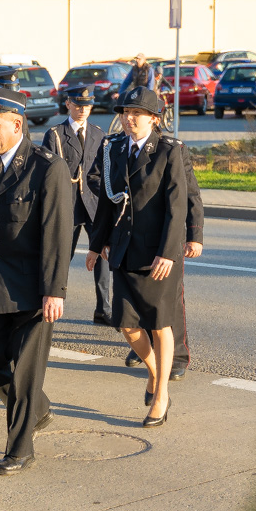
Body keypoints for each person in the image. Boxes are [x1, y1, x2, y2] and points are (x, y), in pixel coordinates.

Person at [0, 86, 72, 475]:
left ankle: (19, 448)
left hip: (31, 287)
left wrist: (54, 290)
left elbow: (57, 233)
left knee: (26, 371)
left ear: (17, 124)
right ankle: (37, 410)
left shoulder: (47, 167)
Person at [86, 86, 187, 428]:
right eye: (126, 113)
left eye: (136, 114)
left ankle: (161, 394)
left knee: (160, 325)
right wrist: (95, 244)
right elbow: (106, 201)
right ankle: (155, 371)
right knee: (127, 324)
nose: (128, 119)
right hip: (125, 248)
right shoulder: (114, 147)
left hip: (157, 254)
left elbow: (177, 208)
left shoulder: (168, 151)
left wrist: (168, 253)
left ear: (154, 119)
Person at [123, 128, 204, 379]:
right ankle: (145, 346)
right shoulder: (122, 146)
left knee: (169, 302)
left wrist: (195, 236)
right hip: (135, 238)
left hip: (168, 239)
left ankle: (177, 356)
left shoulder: (173, 149)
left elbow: (190, 195)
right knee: (139, 298)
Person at [41, 84, 110, 325]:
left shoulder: (99, 134)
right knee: (61, 256)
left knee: (102, 254)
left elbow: (104, 172)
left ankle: (104, 308)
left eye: (88, 105)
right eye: (78, 105)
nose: (83, 110)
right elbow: (47, 172)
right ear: (68, 104)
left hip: (93, 203)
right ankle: (51, 299)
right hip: (67, 203)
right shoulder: (55, 134)